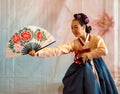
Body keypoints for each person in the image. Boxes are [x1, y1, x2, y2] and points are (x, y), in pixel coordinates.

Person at [29, 13, 118, 94]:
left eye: (76, 27)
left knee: (95, 88)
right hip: (80, 69)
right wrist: (38, 52)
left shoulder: (96, 39)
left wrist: (89, 55)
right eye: (72, 28)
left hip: (96, 68)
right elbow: (58, 49)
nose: (73, 30)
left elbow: (103, 50)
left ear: (83, 27)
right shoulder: (75, 43)